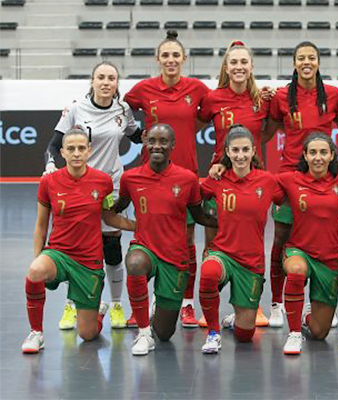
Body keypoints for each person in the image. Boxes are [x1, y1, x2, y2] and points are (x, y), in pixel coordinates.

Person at [44, 61, 142, 331]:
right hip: (78, 187)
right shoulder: (76, 108)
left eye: (112, 78)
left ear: (117, 83)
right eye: (101, 77)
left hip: (110, 185)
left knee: (111, 246)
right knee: (77, 247)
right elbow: (53, 146)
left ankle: (116, 304)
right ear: (92, 80)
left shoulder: (123, 111)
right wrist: (51, 166)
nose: (106, 82)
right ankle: (72, 305)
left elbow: (138, 136)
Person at [263, 41, 338, 328]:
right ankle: (277, 303)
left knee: (325, 237)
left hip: (324, 179)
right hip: (290, 177)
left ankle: (324, 300)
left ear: (318, 61)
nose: (306, 62)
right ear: (294, 62)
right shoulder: (280, 97)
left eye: (311, 57)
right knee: (280, 239)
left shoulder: (334, 95)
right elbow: (266, 130)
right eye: (301, 57)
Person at [124, 30, 211, 328]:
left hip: (185, 178)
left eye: (176, 55)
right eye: (166, 55)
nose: (171, 60)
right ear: (157, 59)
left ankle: (185, 303)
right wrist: (137, 135)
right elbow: (119, 108)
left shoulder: (197, 89)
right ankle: (141, 306)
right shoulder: (143, 90)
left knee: (185, 241)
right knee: (147, 239)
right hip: (150, 178)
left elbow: (213, 111)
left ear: (184, 59)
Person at [22, 128, 136, 353]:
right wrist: (38, 258)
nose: (76, 153)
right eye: (71, 149)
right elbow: (41, 225)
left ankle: (99, 311)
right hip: (59, 255)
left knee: (87, 335)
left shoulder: (102, 182)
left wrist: (138, 226)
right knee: (35, 272)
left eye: (81, 148)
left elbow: (109, 217)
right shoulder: (49, 182)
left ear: (89, 151)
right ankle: (36, 333)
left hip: (89, 263)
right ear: (62, 152)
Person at [113, 124, 216, 356]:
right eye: (152, 141)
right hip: (145, 248)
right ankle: (142, 332)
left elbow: (199, 215)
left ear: (172, 145)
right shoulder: (130, 178)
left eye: (163, 141)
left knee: (165, 332)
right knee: (135, 263)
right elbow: (116, 207)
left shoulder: (188, 179)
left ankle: (155, 310)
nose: (157, 146)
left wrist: (229, 222)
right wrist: (96, 205)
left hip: (175, 258)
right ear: (145, 143)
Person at [199, 41, 272, 326]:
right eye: (234, 62)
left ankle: (254, 303)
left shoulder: (262, 99)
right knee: (213, 241)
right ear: (226, 67)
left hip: (252, 179)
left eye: (244, 62)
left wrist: (253, 153)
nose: (239, 67)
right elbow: (194, 123)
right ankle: (211, 306)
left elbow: (272, 128)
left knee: (253, 237)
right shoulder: (213, 98)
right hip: (220, 177)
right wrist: (220, 161)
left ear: (251, 67)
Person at [198, 125, 284, 354]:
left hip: (252, 263)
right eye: (235, 150)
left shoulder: (267, 181)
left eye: (245, 150)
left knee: (245, 335)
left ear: (254, 151)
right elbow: (195, 195)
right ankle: (213, 333)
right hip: (223, 254)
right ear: (227, 152)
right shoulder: (217, 179)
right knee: (208, 272)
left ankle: (234, 318)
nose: (240, 155)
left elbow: (286, 198)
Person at [277, 132, 338, 355]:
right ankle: (293, 334)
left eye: (323, 152)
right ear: (305, 155)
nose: (318, 157)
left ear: (332, 155)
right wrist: (221, 168)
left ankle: (308, 318)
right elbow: (256, 179)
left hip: (329, 259)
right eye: (312, 152)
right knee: (296, 270)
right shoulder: (290, 179)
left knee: (319, 332)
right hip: (298, 251)